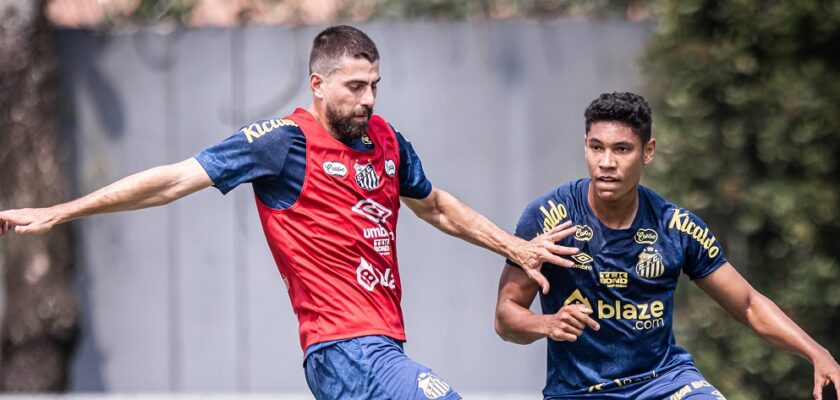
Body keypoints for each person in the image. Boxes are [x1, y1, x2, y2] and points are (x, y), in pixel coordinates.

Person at [0, 26, 579, 399]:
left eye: (375, 84)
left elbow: (437, 206)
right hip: (342, 348)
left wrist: (518, 247)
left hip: (383, 347)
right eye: (355, 86)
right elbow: (175, 178)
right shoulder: (282, 141)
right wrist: (61, 210)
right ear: (317, 84)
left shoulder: (387, 140)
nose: (369, 98)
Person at [494, 92, 840, 400]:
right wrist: (548, 324)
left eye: (622, 149)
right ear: (585, 145)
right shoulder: (548, 217)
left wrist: (816, 353)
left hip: (666, 383)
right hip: (580, 391)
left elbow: (749, 305)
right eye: (597, 147)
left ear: (648, 152)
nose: (607, 163)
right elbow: (505, 316)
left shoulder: (676, 227)